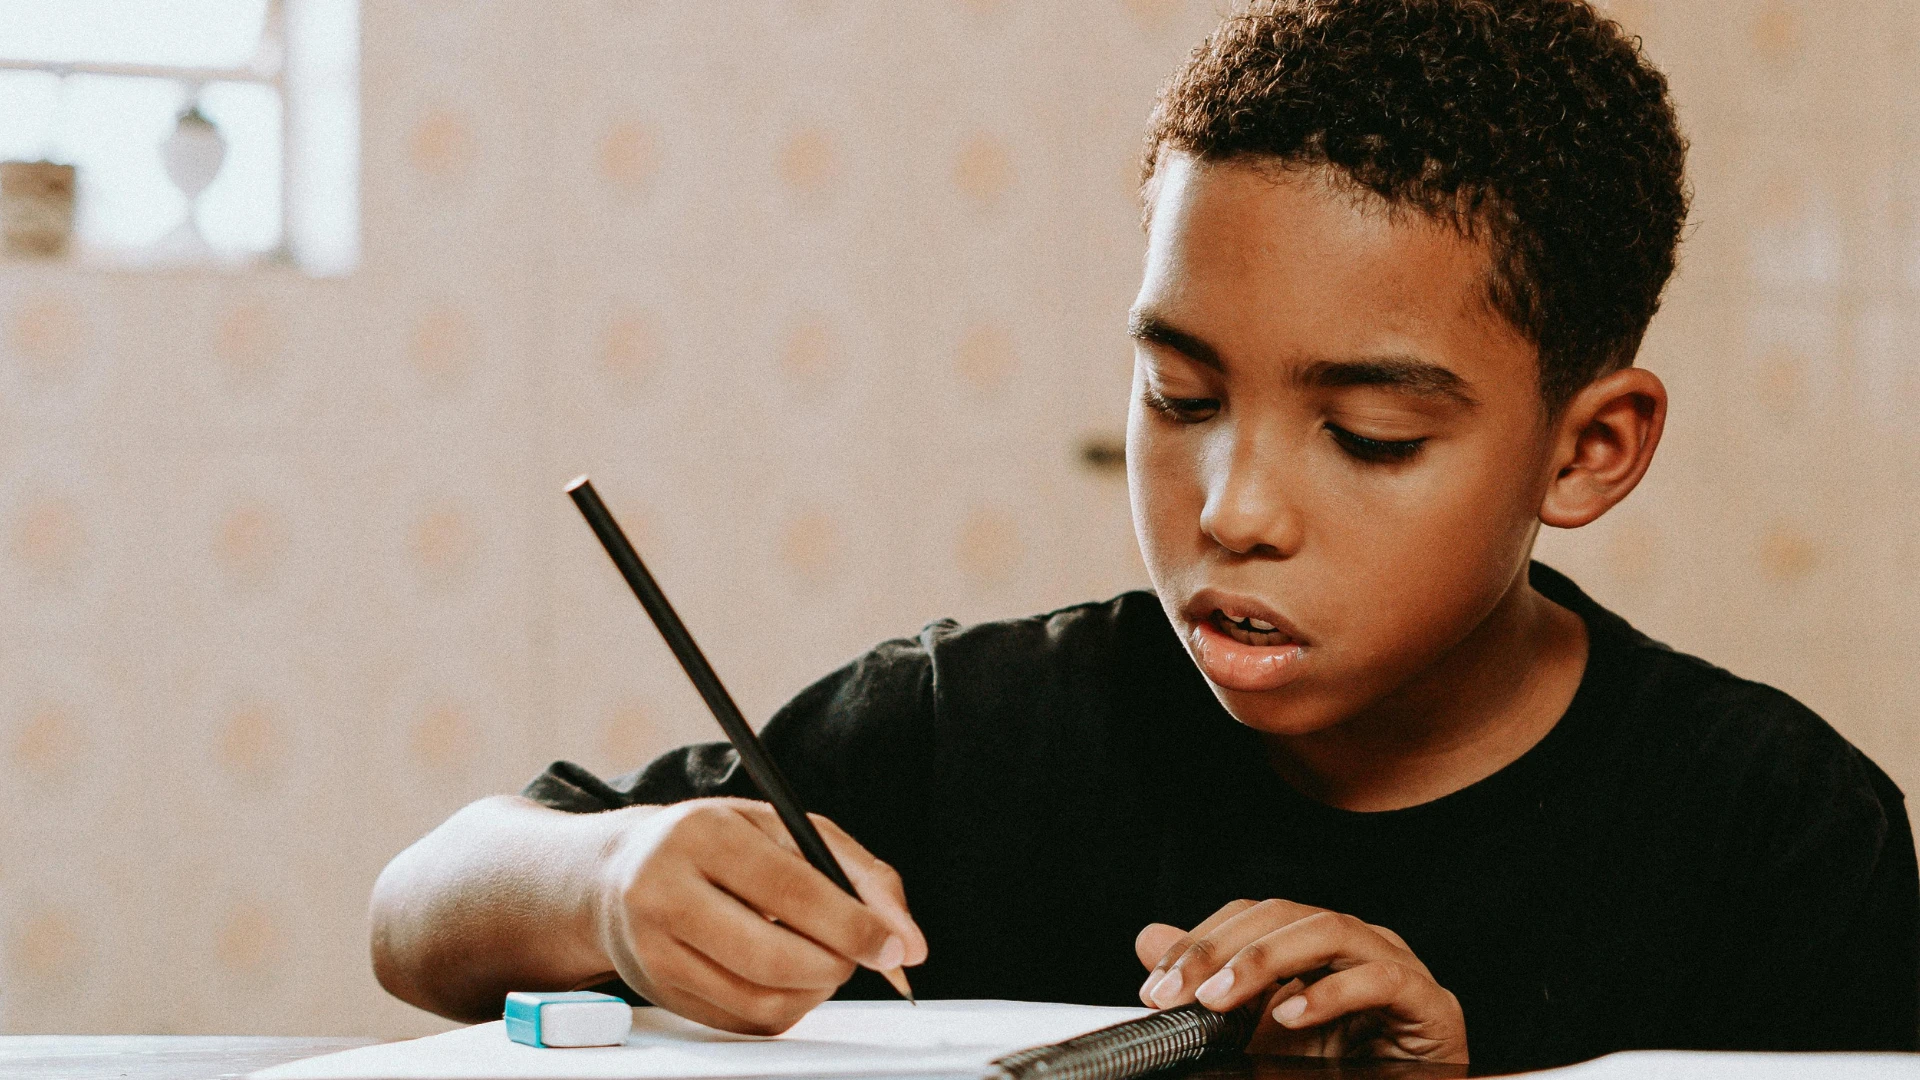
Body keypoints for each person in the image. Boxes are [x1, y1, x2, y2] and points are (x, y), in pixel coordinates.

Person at [367, 0, 1919, 1070]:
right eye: (1180, 399)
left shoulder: (1774, 836)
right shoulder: (960, 735)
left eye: (1370, 437)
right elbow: (423, 909)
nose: (1233, 512)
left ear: (1588, 450)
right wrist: (612, 881)